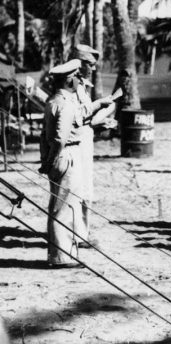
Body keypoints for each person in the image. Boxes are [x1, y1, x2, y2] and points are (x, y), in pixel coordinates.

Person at [40, 60, 111, 268]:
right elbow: (60, 138)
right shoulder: (66, 103)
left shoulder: (53, 101)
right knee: (65, 206)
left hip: (57, 157)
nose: (80, 80)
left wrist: (46, 160)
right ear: (69, 80)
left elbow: (45, 135)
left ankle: (61, 254)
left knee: (59, 205)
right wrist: (53, 156)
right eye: (77, 77)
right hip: (66, 154)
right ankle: (62, 256)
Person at [71, 44, 115, 247]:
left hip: (85, 141)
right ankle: (78, 235)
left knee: (86, 189)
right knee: (79, 190)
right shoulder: (73, 86)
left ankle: (83, 233)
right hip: (77, 144)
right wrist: (100, 106)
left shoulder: (82, 85)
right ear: (79, 64)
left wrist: (100, 123)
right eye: (90, 64)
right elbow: (77, 116)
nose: (93, 69)